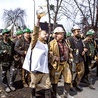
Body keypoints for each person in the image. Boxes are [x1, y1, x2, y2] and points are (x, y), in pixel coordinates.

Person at [23, 15, 51, 98]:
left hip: (44, 69)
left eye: (46, 34)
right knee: (33, 84)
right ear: (39, 35)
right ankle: (33, 95)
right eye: (44, 34)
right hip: (35, 69)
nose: (46, 35)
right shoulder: (35, 43)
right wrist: (38, 20)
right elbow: (35, 32)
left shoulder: (45, 44)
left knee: (47, 85)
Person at [49, 27, 73, 98]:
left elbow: (69, 50)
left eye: (62, 33)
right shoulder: (51, 43)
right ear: (56, 34)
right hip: (57, 64)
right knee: (55, 80)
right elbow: (48, 54)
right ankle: (55, 94)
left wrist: (70, 53)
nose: (62, 35)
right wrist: (54, 57)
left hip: (65, 63)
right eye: (60, 34)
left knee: (68, 78)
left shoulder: (66, 42)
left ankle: (66, 94)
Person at [67, 25, 87, 92]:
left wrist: (84, 50)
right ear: (73, 32)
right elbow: (67, 48)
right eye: (77, 31)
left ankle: (76, 84)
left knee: (81, 72)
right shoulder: (69, 39)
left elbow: (84, 47)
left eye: (79, 31)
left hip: (80, 58)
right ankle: (70, 85)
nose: (79, 32)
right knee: (72, 73)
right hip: (73, 59)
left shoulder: (81, 40)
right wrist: (70, 54)